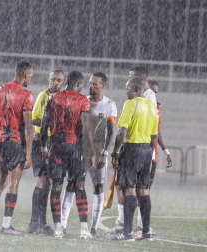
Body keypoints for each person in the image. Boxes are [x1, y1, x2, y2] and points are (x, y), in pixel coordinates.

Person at [0, 61, 34, 235]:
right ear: (25, 75)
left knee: (1, 181)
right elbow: (29, 126)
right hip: (14, 142)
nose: (30, 79)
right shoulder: (26, 94)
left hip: (0, 141)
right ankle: (6, 225)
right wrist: (30, 153)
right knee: (13, 183)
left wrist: (1, 128)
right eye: (30, 76)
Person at [40, 70, 97, 239]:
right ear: (79, 84)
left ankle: (58, 227)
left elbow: (44, 125)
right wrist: (92, 153)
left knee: (56, 187)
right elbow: (86, 129)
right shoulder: (82, 100)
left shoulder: (54, 98)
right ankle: (84, 228)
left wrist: (44, 148)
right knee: (79, 186)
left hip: (56, 147)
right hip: (74, 148)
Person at [60, 72, 117, 237]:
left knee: (98, 187)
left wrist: (105, 153)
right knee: (72, 184)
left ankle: (93, 228)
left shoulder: (109, 105)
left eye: (95, 84)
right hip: (79, 150)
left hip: (99, 153)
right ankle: (63, 225)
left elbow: (113, 132)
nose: (91, 86)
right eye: (90, 83)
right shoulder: (82, 101)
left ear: (103, 86)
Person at [110, 76, 158, 241]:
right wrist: (148, 153)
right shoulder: (152, 107)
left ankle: (128, 232)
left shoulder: (131, 104)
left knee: (129, 189)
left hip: (132, 149)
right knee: (144, 190)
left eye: (128, 88)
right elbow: (155, 135)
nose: (126, 91)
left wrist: (116, 152)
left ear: (135, 89)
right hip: (146, 149)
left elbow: (122, 131)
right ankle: (146, 232)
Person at [132, 79, 173, 238]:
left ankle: (141, 227)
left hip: (150, 156)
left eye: (156, 93)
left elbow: (157, 131)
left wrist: (166, 150)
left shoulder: (157, 108)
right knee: (135, 190)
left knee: (143, 191)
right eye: (152, 92)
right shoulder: (140, 104)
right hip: (138, 152)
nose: (154, 95)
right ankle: (134, 226)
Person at [27, 70, 65, 236]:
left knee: (49, 183)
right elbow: (33, 118)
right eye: (53, 80)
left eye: (58, 80)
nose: (55, 83)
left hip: (56, 143)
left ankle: (40, 223)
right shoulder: (43, 96)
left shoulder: (63, 98)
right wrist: (49, 122)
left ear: (63, 82)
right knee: (42, 181)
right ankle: (36, 223)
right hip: (41, 141)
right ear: (48, 80)